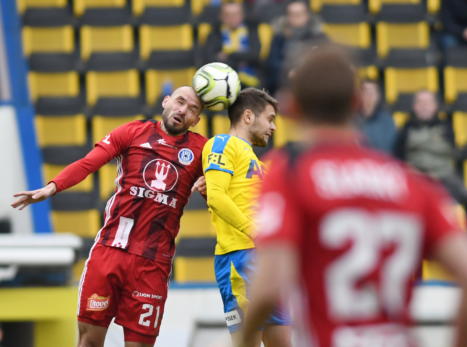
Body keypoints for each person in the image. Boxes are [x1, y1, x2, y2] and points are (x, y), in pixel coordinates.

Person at [238, 44, 467, 347]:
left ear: (292, 107)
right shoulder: (411, 183)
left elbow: (268, 287)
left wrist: (240, 341)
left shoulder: (289, 174)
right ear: (357, 102)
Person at [11, 86, 208, 347]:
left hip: (153, 264)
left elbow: (220, 196)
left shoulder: (202, 150)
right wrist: (52, 187)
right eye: (180, 102)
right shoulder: (132, 132)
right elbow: (88, 162)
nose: (183, 110)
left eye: (192, 109)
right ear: (166, 101)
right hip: (110, 253)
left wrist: (211, 187)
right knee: (89, 341)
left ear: (196, 119)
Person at [202, 88, 291, 346]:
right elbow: (217, 197)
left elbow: (223, 197)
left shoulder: (257, 163)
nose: (273, 127)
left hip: (263, 258)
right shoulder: (222, 144)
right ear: (249, 116)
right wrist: (255, 231)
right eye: (270, 118)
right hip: (239, 257)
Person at [394, 90, 467, 207]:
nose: (424, 106)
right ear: (415, 106)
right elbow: (398, 161)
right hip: (416, 180)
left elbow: (452, 153)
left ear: (435, 106)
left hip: (444, 181)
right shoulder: (405, 130)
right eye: (421, 102)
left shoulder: (446, 127)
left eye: (428, 102)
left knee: (462, 199)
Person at [266, 0, 327, 95]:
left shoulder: (319, 36)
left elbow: (327, 61)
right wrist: (287, 72)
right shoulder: (280, 37)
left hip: (315, 84)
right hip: (286, 85)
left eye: (299, 14)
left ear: (307, 15)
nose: (296, 18)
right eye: (293, 14)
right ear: (287, 17)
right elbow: (272, 63)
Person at [202, 1, 262, 88]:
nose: (232, 18)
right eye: (228, 15)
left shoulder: (251, 30)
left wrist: (228, 55)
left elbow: (255, 55)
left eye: (235, 14)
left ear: (242, 15)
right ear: (221, 17)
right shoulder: (214, 33)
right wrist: (241, 59)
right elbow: (210, 59)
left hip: (251, 80)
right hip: (223, 81)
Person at [358, 79, 397, 155]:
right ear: (360, 95)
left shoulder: (386, 121)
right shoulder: (351, 120)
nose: (369, 96)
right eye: (366, 92)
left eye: (372, 92)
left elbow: (388, 149)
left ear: (378, 96)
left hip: (378, 163)